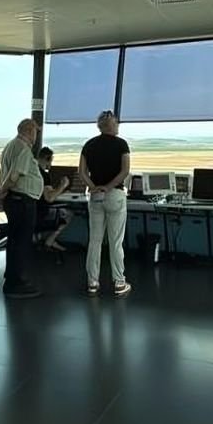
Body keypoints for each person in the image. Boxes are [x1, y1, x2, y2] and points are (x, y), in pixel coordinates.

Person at [79, 110, 132, 298]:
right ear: (112, 125)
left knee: (95, 241)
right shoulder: (121, 144)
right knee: (115, 242)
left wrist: (94, 187)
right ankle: (119, 282)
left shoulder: (89, 145)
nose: (118, 126)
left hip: (95, 197)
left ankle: (92, 283)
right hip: (114, 195)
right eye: (116, 123)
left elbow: (82, 172)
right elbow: (125, 171)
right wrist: (108, 187)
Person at [0, 119, 44, 299]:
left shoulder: (10, 146)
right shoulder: (23, 149)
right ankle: (18, 283)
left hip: (14, 201)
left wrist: (3, 192)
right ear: (29, 131)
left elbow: (4, 174)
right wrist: (1, 192)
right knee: (21, 242)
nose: (36, 136)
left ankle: (11, 279)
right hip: (22, 201)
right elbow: (14, 176)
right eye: (35, 132)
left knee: (14, 241)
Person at [35, 147, 70, 251]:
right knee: (69, 214)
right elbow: (49, 198)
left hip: (29, 212)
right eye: (51, 160)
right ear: (48, 159)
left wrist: (56, 190)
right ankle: (50, 240)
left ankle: (39, 238)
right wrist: (63, 185)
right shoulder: (44, 175)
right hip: (41, 213)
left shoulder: (33, 172)